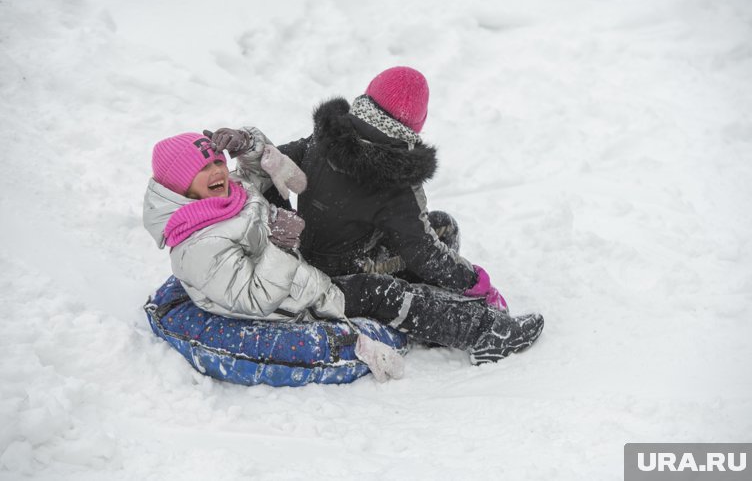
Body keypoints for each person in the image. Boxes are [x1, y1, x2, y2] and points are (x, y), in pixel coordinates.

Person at [142, 130, 543, 367]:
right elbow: (252, 298)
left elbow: (257, 170)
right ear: (180, 185)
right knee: (381, 293)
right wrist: (279, 247)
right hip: (293, 306)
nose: (217, 172)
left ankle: (435, 312)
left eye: (216, 162)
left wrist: (248, 142)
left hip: (303, 271)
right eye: (203, 169)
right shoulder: (196, 242)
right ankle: (484, 334)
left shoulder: (225, 194)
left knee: (436, 229)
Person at [274, 66, 510, 312]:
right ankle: (433, 302)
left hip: (300, 252)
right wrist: (474, 280)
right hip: (349, 273)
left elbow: (275, 161)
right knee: (444, 227)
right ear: (417, 123)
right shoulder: (397, 178)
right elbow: (423, 252)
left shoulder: (325, 137)